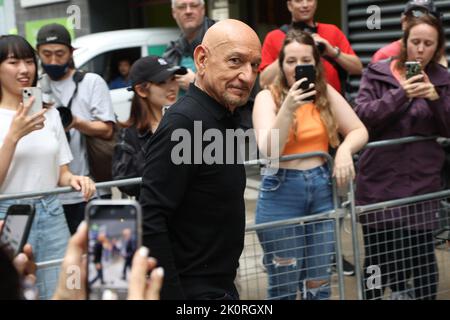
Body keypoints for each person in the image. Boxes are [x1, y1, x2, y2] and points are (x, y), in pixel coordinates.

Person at [140, 19, 261, 300]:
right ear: (202, 59)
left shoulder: (225, 115)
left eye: (254, 65)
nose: (247, 76)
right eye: (235, 61)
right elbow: (150, 217)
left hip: (221, 285)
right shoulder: (184, 123)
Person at [253, 29, 368, 300]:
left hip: (321, 191)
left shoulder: (324, 93)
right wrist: (289, 108)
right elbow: (269, 149)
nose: (297, 67)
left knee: (318, 285)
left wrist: (342, 152)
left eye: (305, 60)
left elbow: (359, 130)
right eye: (290, 61)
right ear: (280, 64)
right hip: (281, 193)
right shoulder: (267, 98)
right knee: (283, 286)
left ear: (315, 64)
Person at [355, 14, 450, 300]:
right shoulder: (377, 72)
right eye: (416, 42)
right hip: (378, 185)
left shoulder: (442, 80)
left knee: (420, 256)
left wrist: (435, 99)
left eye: (428, 44)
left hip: (420, 187)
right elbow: (362, 116)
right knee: (376, 258)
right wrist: (401, 95)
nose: (421, 49)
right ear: (404, 42)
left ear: (437, 48)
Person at [0, 35, 96, 299]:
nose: (24, 69)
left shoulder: (49, 113)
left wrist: (76, 179)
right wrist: (13, 136)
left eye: (29, 62)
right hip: (8, 216)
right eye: (13, 62)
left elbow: (61, 173)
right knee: (17, 290)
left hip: (52, 210)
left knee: (67, 284)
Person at [36, 23, 116, 235]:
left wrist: (77, 123)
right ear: (38, 53)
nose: (53, 60)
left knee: (97, 253)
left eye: (60, 54)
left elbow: (108, 130)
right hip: (53, 195)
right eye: (47, 54)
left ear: (71, 53)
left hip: (92, 189)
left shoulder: (91, 82)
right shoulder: (34, 88)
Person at [112, 56, 183, 199]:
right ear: (141, 90)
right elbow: (125, 182)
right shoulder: (128, 134)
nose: (171, 87)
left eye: (173, 79)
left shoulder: (188, 122)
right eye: (161, 82)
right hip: (153, 214)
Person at [259, 0, 362, 93]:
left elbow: (358, 68)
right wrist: (287, 53)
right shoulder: (274, 37)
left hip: (331, 104)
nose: (305, 5)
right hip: (290, 104)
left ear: (316, 3)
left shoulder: (332, 31)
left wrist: (332, 52)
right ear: (290, 5)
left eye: (309, 0)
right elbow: (264, 82)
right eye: (298, 1)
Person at [372, 0, 447, 67]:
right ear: (403, 21)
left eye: (425, 20)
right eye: (412, 19)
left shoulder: (437, 54)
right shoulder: (385, 55)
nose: (418, 24)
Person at [163, 0, 215, 95]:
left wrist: (195, 83)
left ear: (203, 9)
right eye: (182, 7)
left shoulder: (221, 38)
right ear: (174, 13)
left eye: (194, 5)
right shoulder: (172, 50)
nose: (188, 11)